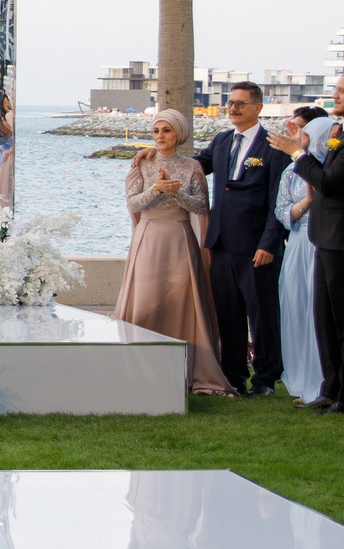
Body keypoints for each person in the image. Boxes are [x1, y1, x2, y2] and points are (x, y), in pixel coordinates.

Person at [266, 68, 344, 414]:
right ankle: (330, 388)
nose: (335, 95)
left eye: (342, 91)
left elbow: (331, 183)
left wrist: (296, 155)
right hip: (328, 234)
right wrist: (302, 149)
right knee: (325, 315)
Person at [113, 110, 231, 394]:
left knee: (181, 303)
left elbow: (203, 207)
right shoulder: (142, 164)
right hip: (149, 239)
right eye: (156, 131)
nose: (160, 137)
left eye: (166, 131)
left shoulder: (193, 167)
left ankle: (184, 370)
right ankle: (138, 369)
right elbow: (133, 204)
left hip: (180, 239)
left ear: (179, 134)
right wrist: (157, 189)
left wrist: (177, 193)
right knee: (145, 303)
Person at [202, 81, 288, 395]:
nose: (233, 107)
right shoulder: (222, 141)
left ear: (258, 107)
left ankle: (265, 379)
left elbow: (278, 199)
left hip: (256, 246)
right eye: (230, 102)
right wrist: (157, 157)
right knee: (229, 314)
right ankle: (233, 377)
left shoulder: (273, 145)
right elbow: (196, 166)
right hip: (222, 243)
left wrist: (269, 243)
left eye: (240, 102)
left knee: (262, 315)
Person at [275, 106, 328, 404]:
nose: (291, 134)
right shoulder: (289, 171)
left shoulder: (327, 166)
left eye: (299, 130)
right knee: (295, 305)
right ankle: (300, 376)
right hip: (297, 242)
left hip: (322, 243)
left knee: (319, 310)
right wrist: (306, 202)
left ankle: (325, 378)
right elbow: (282, 212)